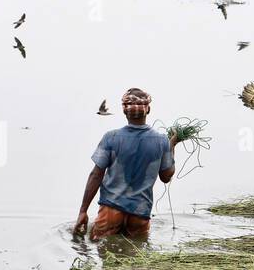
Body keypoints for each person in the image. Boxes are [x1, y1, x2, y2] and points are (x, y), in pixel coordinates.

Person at [73, 88, 177, 241]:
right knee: (136, 255)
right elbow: (166, 177)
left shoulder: (111, 137)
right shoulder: (162, 141)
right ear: (148, 110)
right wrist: (172, 145)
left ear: (124, 111)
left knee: (99, 246)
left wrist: (83, 211)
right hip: (140, 213)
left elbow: (96, 175)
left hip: (111, 210)